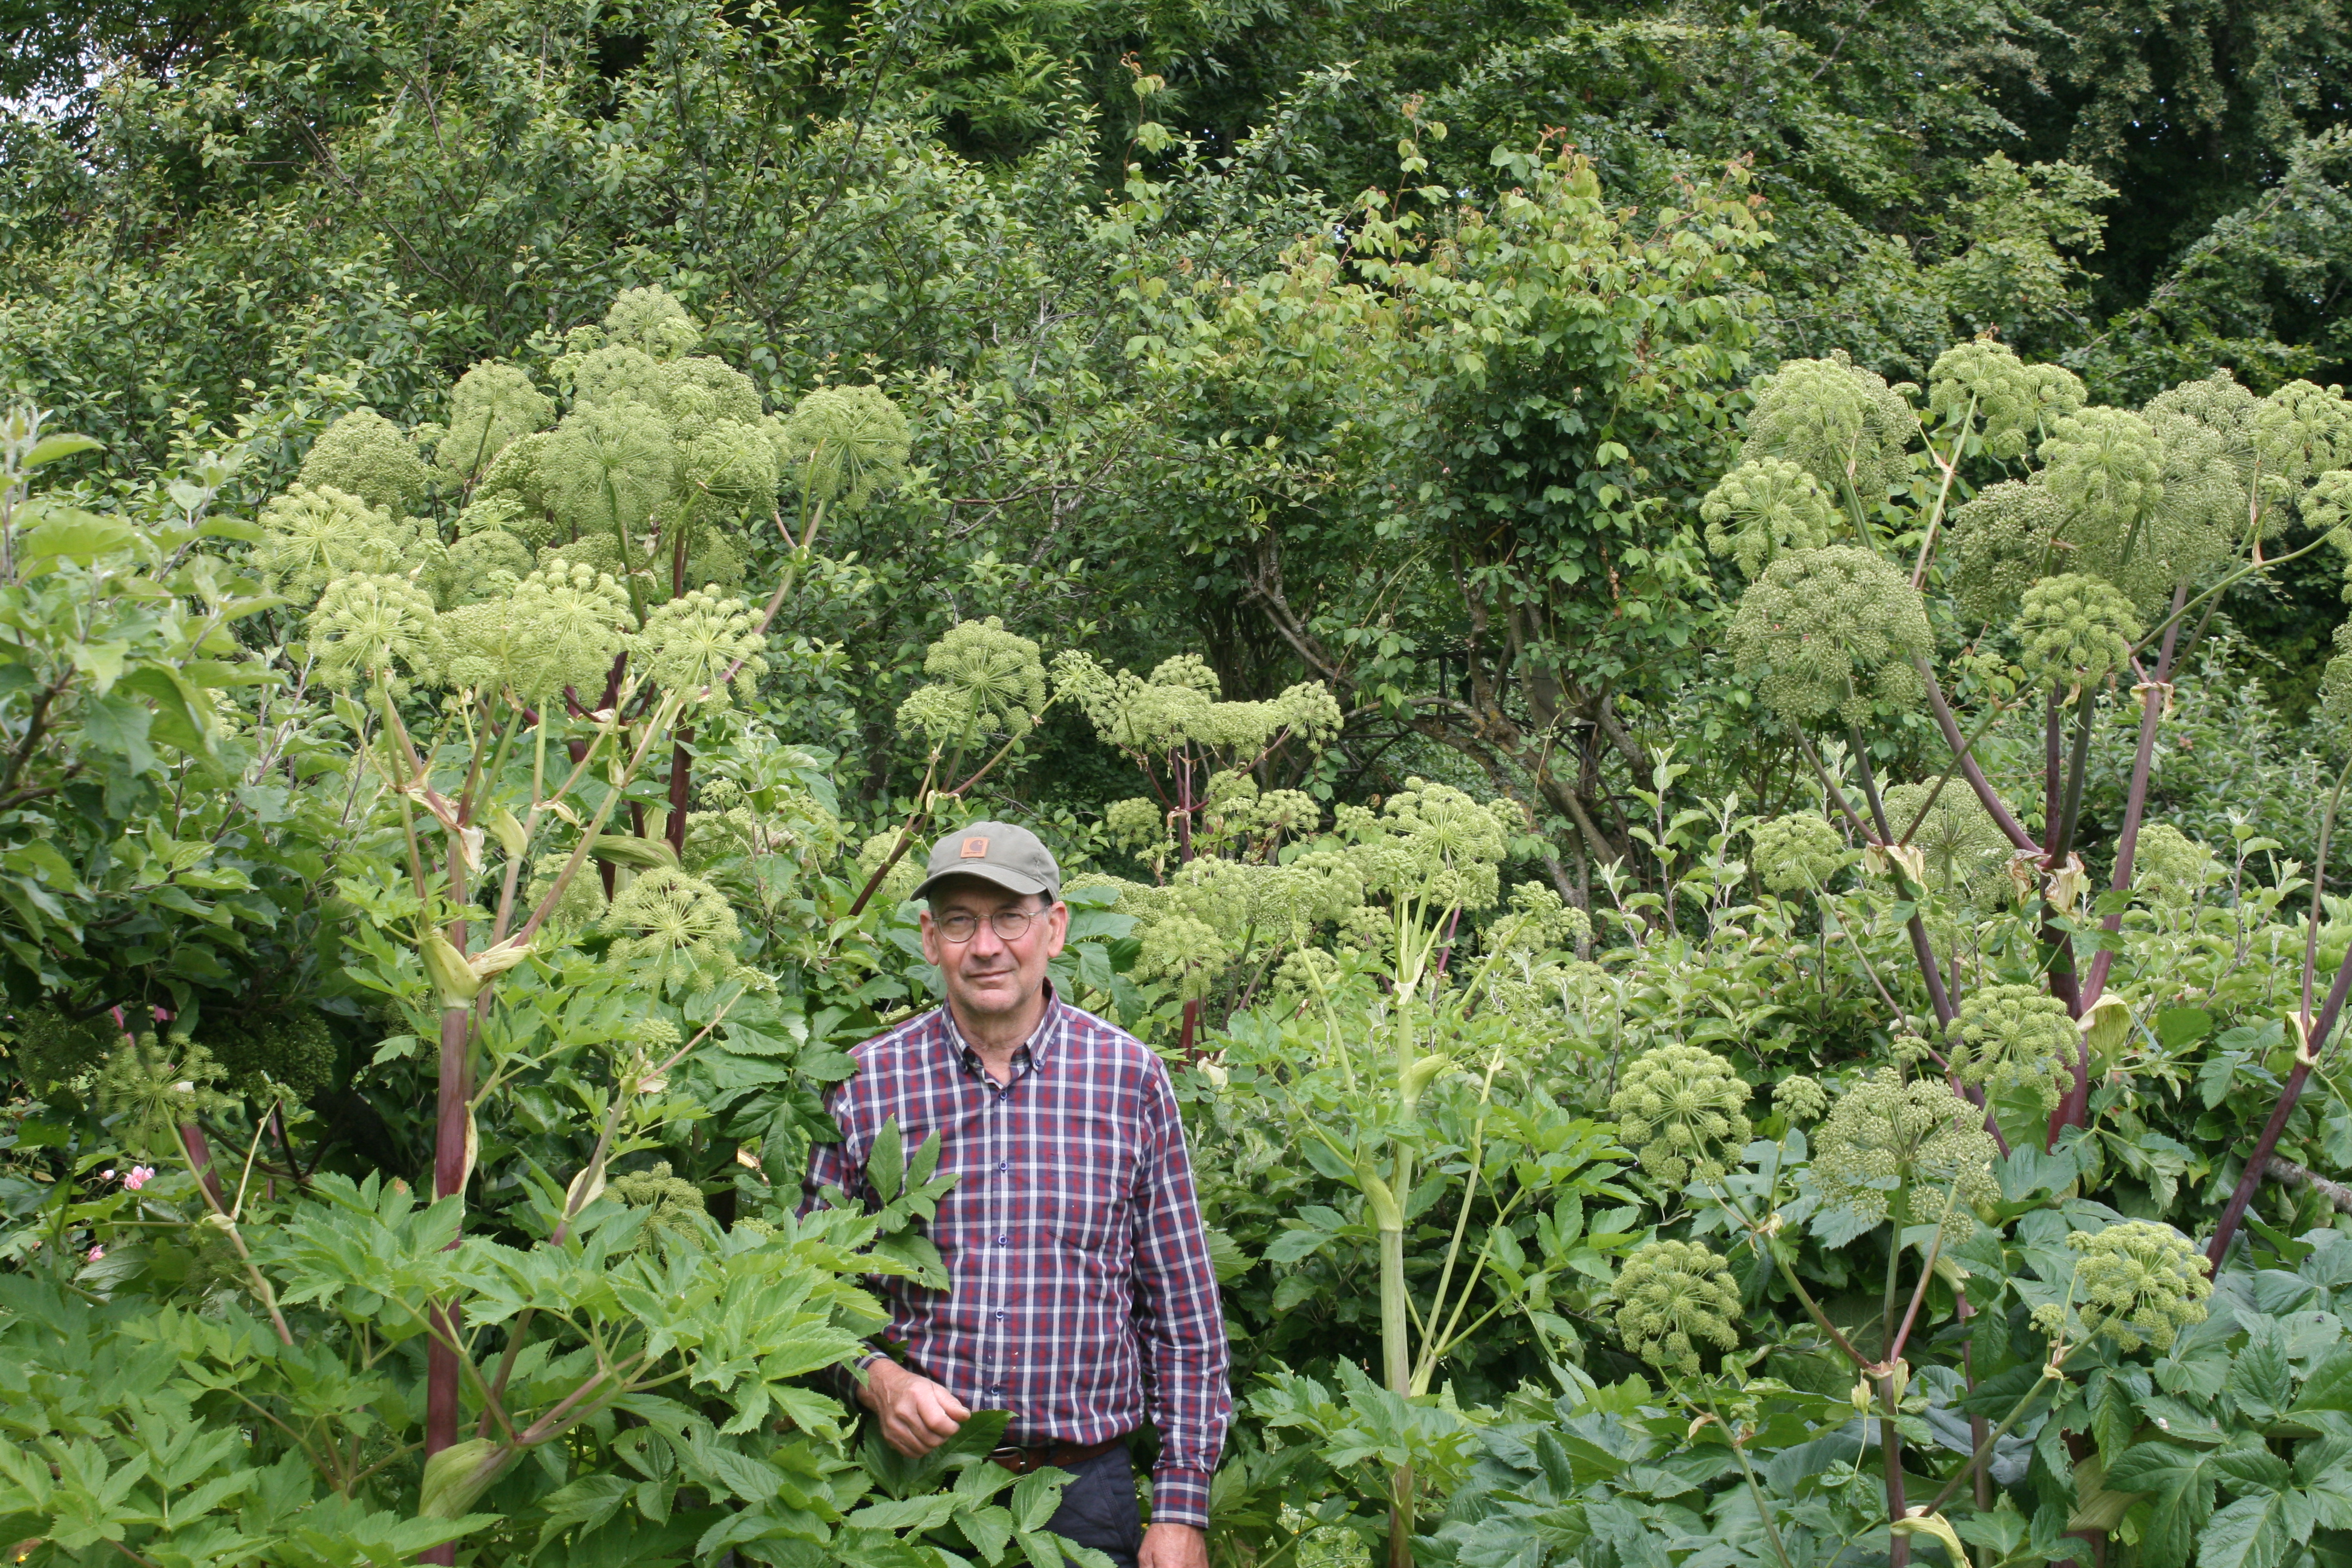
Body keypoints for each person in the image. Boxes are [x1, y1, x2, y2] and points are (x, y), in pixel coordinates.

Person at [802, 822, 1229, 1568]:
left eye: (1010, 917)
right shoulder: (863, 1084)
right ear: (930, 940)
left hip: (1082, 1496)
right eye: (961, 921)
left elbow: (1183, 1313)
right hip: (908, 1496)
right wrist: (879, 1381)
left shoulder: (1129, 1081)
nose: (988, 945)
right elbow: (807, 1296)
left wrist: (1182, 1506)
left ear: (1054, 928)